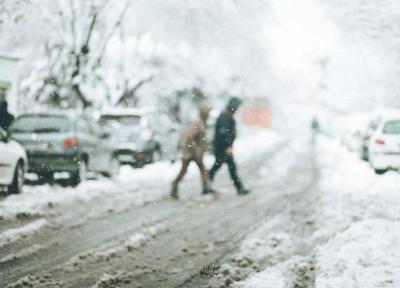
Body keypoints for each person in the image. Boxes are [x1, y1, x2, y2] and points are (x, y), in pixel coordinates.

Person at [171, 104, 214, 199]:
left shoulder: (201, 122)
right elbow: (189, 136)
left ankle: (206, 187)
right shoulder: (197, 123)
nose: (209, 115)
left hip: (195, 152)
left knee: (202, 169)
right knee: (185, 170)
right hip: (190, 153)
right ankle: (174, 185)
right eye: (208, 113)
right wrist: (195, 148)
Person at [208, 97, 249, 195]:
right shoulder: (224, 116)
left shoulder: (227, 115)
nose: (238, 109)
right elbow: (223, 132)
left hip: (224, 147)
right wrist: (228, 145)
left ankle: (240, 188)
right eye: (237, 106)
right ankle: (206, 185)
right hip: (222, 148)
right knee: (218, 166)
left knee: (231, 167)